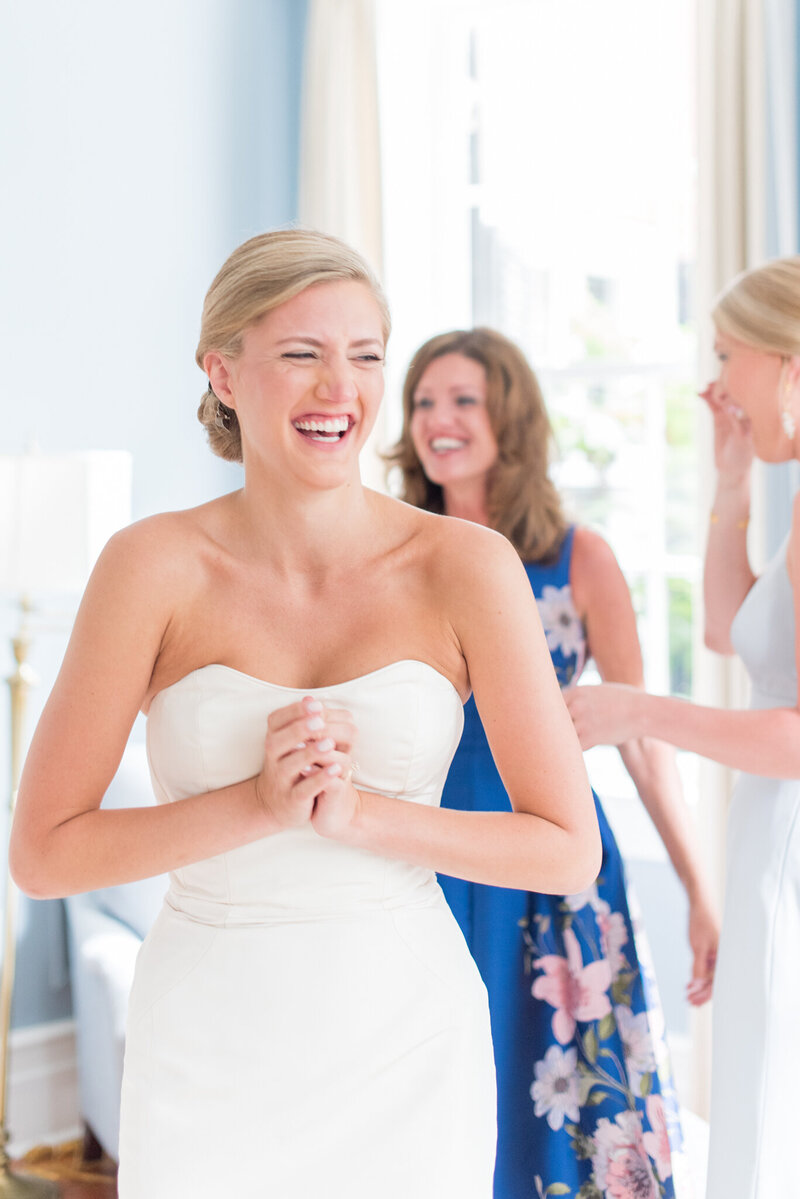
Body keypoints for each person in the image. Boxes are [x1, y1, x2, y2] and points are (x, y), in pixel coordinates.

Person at [9, 231, 600, 1199]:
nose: (340, 388)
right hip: (209, 1042)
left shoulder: (465, 566)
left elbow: (563, 846)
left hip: (406, 1037)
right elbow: (44, 850)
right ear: (223, 372)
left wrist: (362, 814)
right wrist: (256, 804)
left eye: (364, 355)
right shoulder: (148, 566)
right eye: (301, 354)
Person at [386, 327, 718, 1199]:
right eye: (423, 401)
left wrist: (700, 886)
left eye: (463, 399)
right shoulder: (390, 555)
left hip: (551, 868)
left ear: (511, 418)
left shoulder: (578, 557)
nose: (438, 420)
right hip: (419, 850)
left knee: (552, 1097)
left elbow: (639, 734)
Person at [564, 256, 800, 1199]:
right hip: (765, 833)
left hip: (788, 840)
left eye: (728, 355)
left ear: (789, 364)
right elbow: (727, 629)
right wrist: (733, 482)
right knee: (755, 1085)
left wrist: (634, 710)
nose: (716, 383)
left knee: (770, 1092)